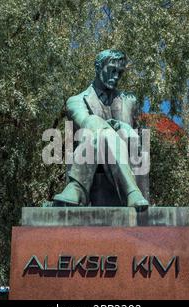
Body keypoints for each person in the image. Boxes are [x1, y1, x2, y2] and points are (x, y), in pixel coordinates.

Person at [53, 49, 149, 210]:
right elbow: (86, 122)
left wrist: (124, 127)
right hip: (91, 159)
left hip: (126, 155)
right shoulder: (76, 101)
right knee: (99, 132)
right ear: (98, 68)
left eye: (120, 72)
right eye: (112, 70)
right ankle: (131, 191)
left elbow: (136, 137)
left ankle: (77, 187)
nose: (116, 76)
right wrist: (109, 130)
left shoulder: (129, 101)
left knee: (103, 133)